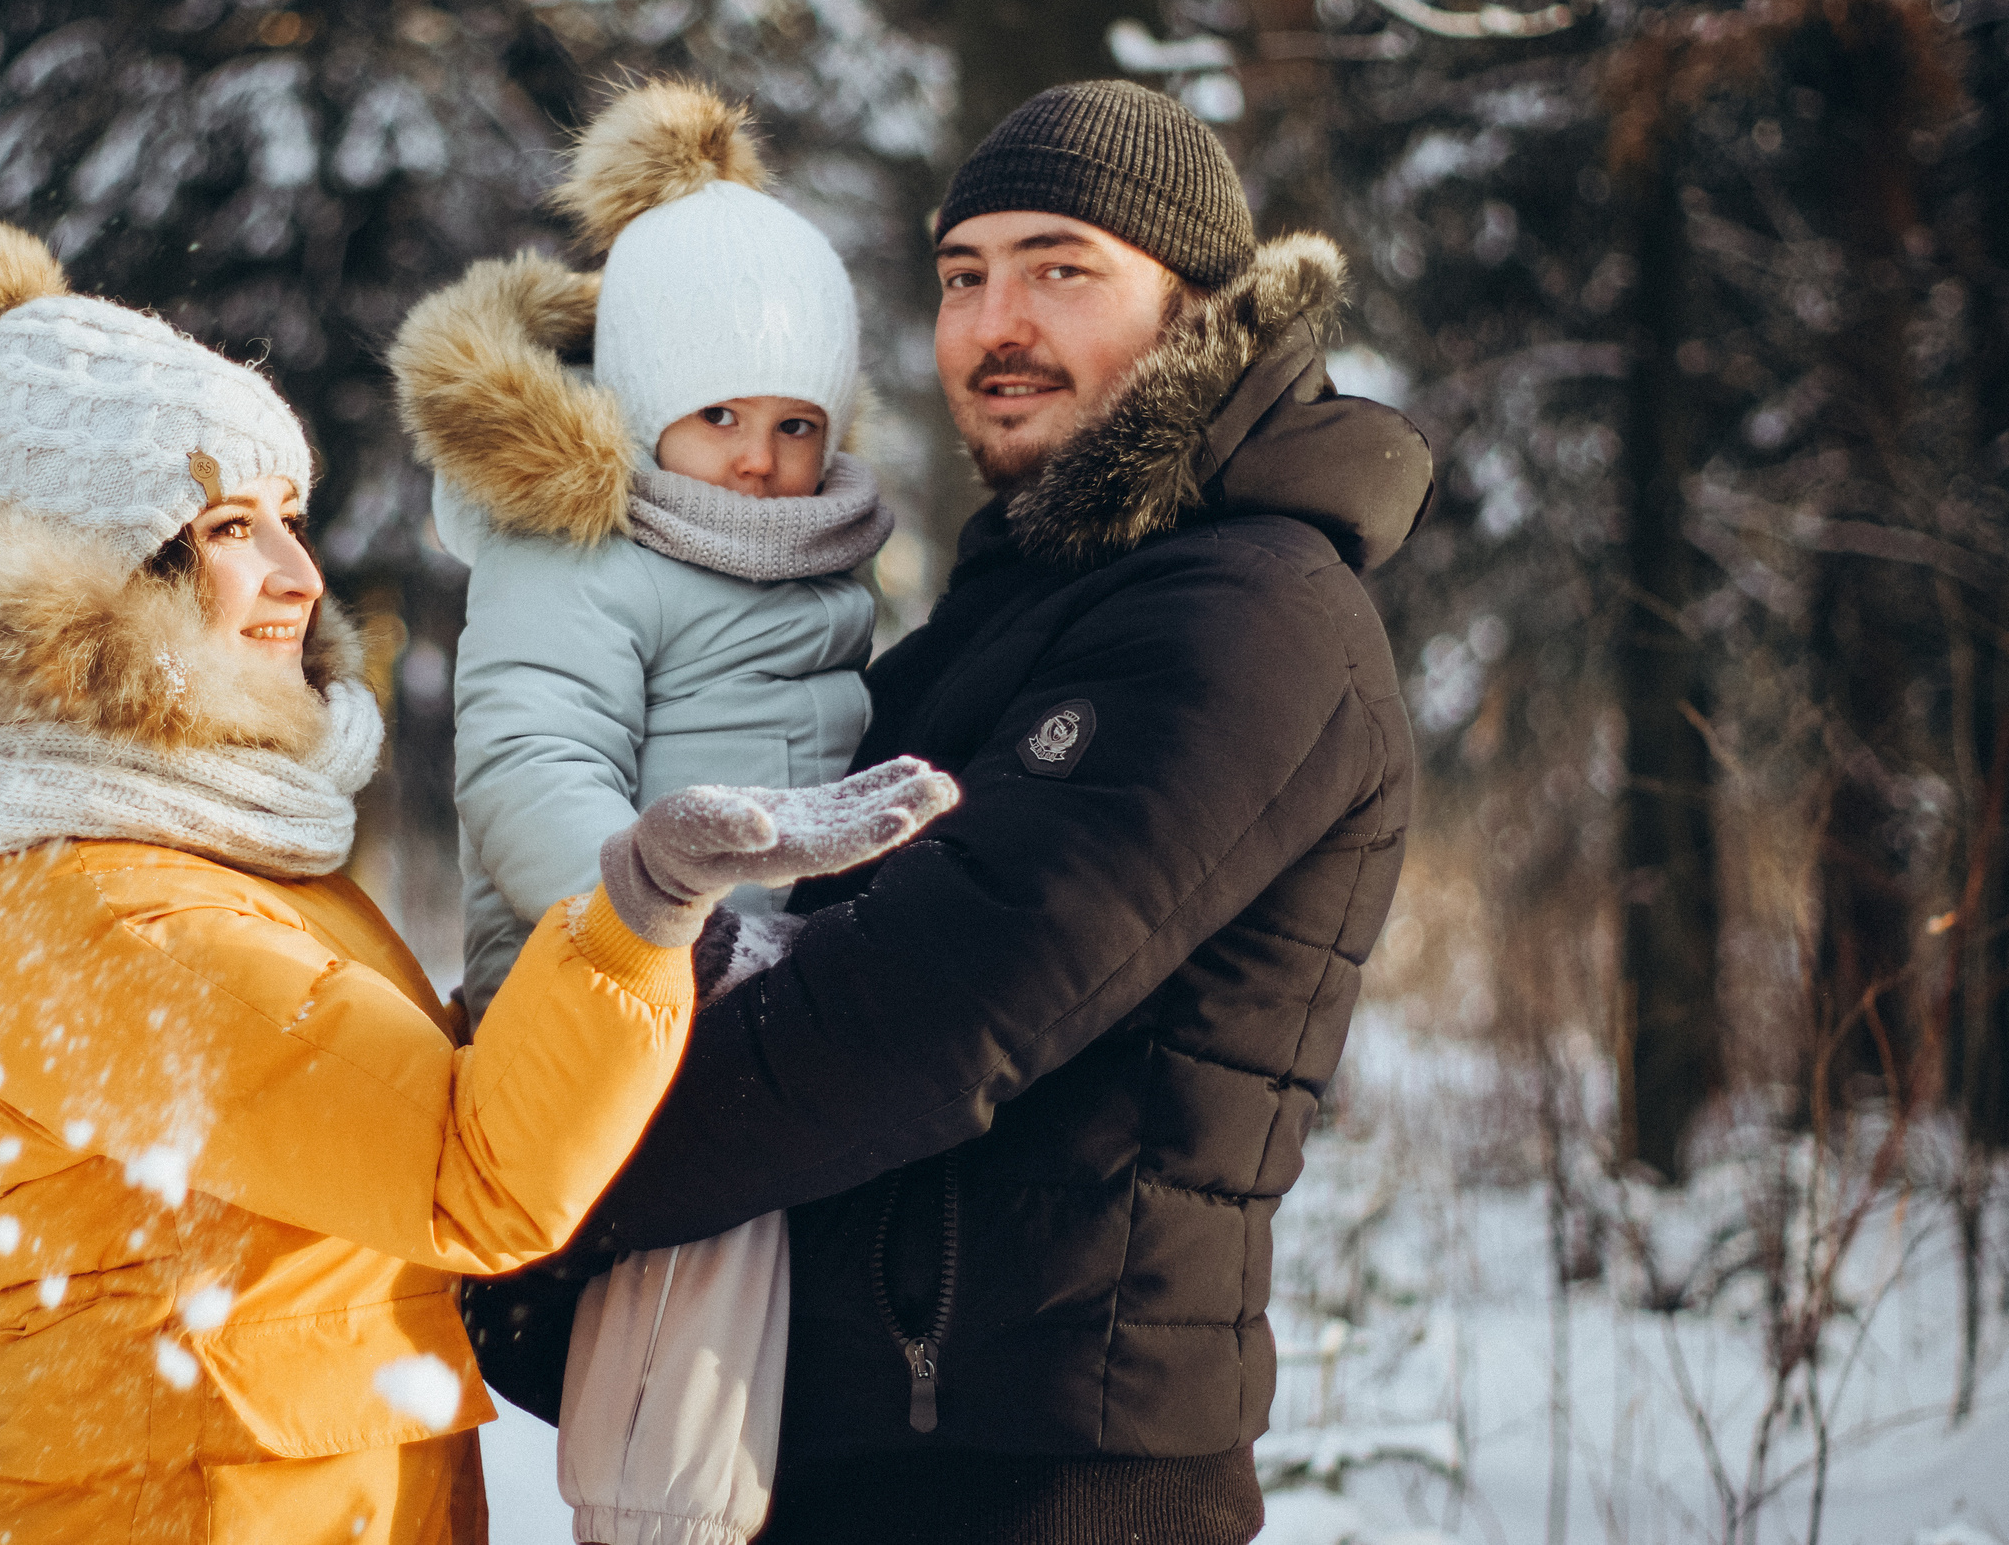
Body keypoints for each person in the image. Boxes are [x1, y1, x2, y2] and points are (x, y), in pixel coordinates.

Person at [0, 216, 956, 1545]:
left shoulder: (219, 850)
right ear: (88, 569)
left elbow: (353, 1113)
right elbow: (469, 1176)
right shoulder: (114, 914)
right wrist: (643, 903)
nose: (300, 578)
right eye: (233, 524)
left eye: (291, 520)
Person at [482, 80, 1437, 1544]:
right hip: (872, 1451)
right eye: (962, 277)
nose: (998, 325)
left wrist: (521, 1167)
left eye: (1062, 268)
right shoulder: (1005, 617)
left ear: (1199, 310)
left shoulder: (1251, 617)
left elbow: (927, 1011)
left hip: (1046, 1483)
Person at [389, 80, 889, 1545]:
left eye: (797, 423)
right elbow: (528, 773)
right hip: (606, 978)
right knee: (694, 1272)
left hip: (748, 988)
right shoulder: (582, 553)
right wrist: (672, 935)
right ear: (641, 407)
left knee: (754, 1284)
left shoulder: (809, 563)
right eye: (719, 414)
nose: (759, 457)